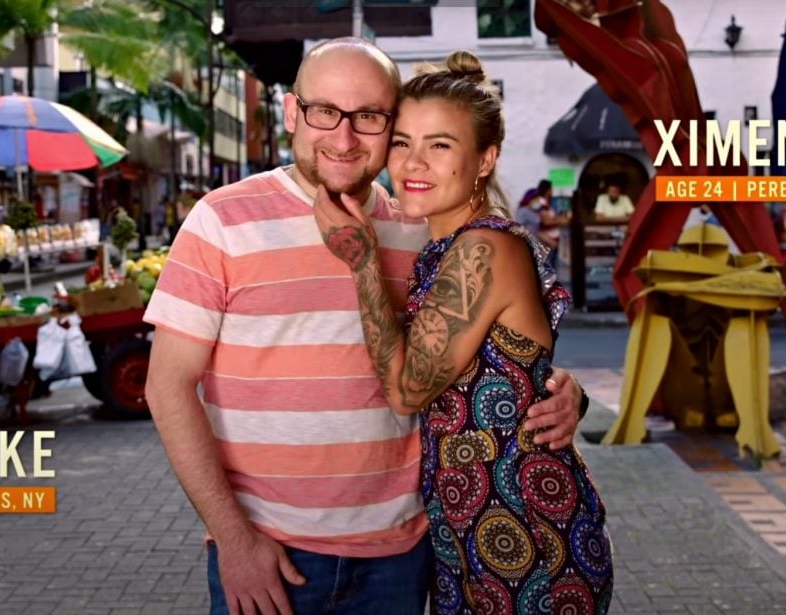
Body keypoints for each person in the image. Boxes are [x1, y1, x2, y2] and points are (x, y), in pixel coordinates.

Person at [143, 37, 586, 615]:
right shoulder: (222, 218)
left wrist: (553, 390)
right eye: (325, 110)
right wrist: (233, 539)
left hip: (405, 556)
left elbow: (485, 346)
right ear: (291, 111)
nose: (345, 136)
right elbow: (166, 386)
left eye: (370, 117)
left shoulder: (421, 221)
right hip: (270, 553)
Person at [313, 49, 613, 614]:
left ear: (484, 159)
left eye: (440, 145)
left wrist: (361, 263)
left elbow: (406, 390)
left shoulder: (483, 248)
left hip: (527, 532)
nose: (412, 163)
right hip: (467, 532)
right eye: (402, 143)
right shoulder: (445, 247)